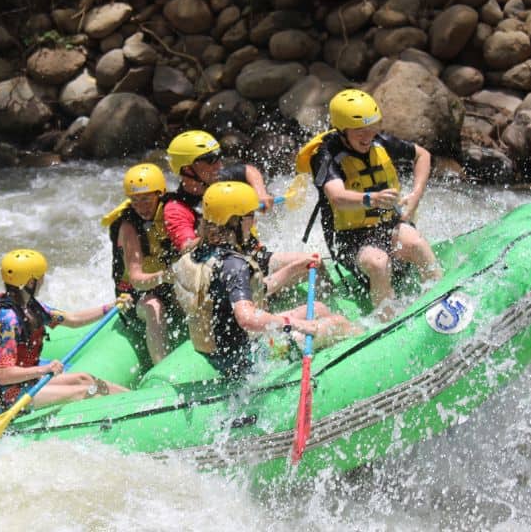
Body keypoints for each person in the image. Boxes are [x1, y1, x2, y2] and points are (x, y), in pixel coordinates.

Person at [173, 182, 358, 378]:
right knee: (338, 323)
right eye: (250, 216)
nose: (254, 223)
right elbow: (247, 318)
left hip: (221, 354)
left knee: (319, 308)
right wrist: (293, 323)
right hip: (250, 358)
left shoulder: (200, 254)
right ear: (234, 221)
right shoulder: (233, 265)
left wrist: (294, 268)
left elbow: (254, 290)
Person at [296, 89, 441, 318]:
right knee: (378, 262)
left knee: (416, 243)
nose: (368, 135)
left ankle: (441, 297)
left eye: (372, 127)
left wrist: (415, 195)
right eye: (360, 131)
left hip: (386, 224)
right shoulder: (324, 156)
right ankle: (387, 320)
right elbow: (337, 197)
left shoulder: (379, 141)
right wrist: (371, 199)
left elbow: (422, 155)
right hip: (350, 237)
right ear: (343, 131)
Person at [0, 249, 129, 410]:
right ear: (31, 282)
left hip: (26, 382)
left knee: (84, 378)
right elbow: (4, 375)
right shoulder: (8, 321)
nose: (43, 281)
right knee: (84, 391)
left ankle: (135, 398)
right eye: (40, 277)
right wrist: (44, 369)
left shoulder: (31, 308)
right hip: (5, 395)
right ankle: (130, 409)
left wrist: (109, 308)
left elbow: (73, 320)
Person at [163, 130, 313, 296]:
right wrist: (216, 232)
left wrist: (260, 192)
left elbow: (248, 170)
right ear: (188, 169)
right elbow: (186, 247)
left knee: (312, 264)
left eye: (218, 157)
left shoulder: (219, 180)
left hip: (251, 256)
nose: (219, 165)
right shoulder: (176, 208)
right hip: (222, 273)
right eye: (210, 160)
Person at [101, 163, 180, 364]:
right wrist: (165, 276)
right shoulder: (128, 226)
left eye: (145, 198)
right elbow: (136, 278)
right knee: (154, 306)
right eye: (135, 200)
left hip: (168, 285)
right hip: (135, 296)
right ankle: (161, 368)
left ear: (159, 194)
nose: (140, 206)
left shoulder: (174, 212)